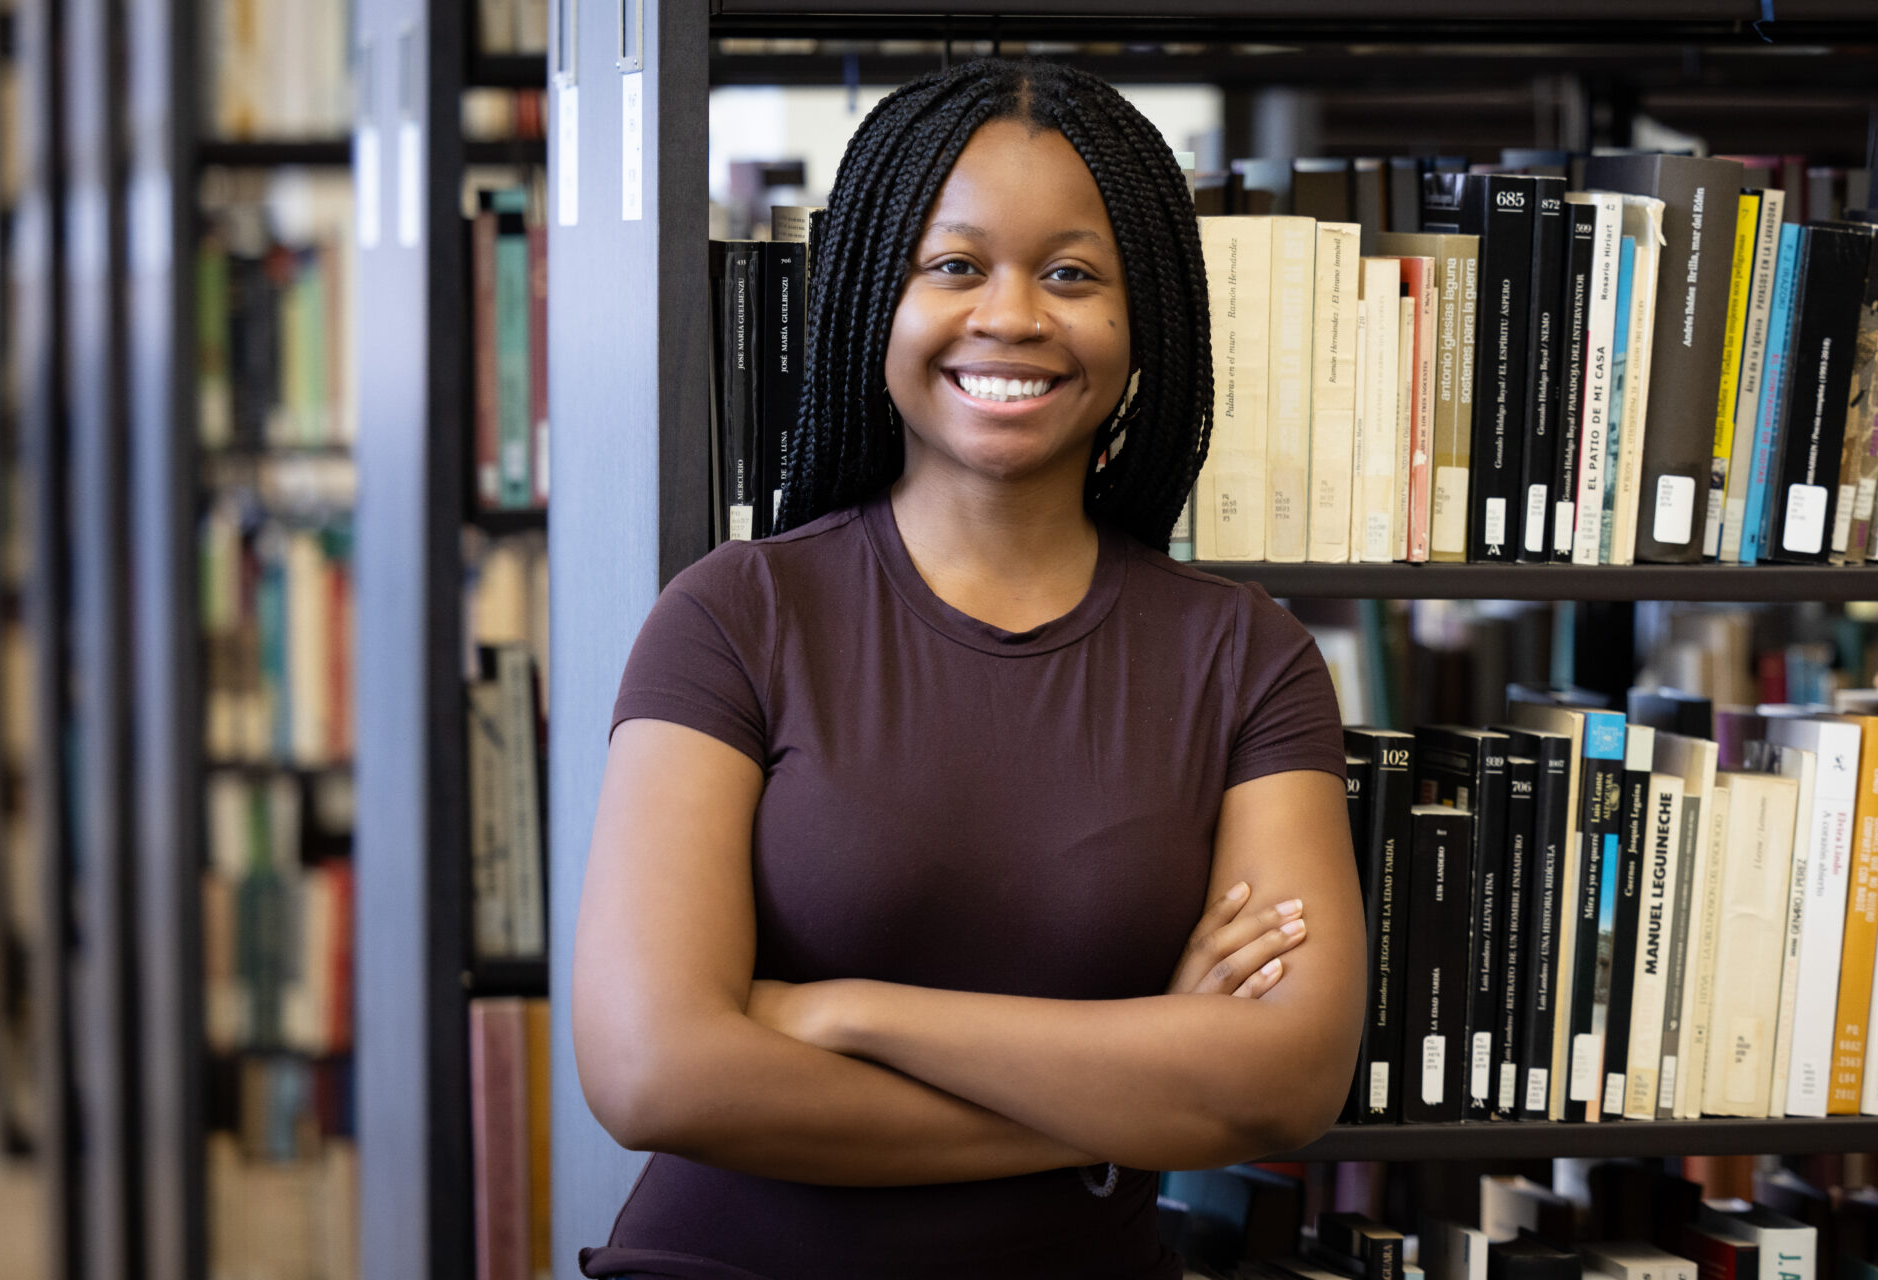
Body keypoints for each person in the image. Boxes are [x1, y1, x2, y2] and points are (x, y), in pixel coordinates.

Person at [573, 58, 1365, 1279]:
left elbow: (1284, 1077)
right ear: (870, 301)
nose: (1011, 315)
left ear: (1139, 311)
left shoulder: (1244, 658)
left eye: (1070, 273)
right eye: (953, 265)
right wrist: (1120, 1094)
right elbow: (650, 1071)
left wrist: (843, 1010)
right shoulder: (735, 615)